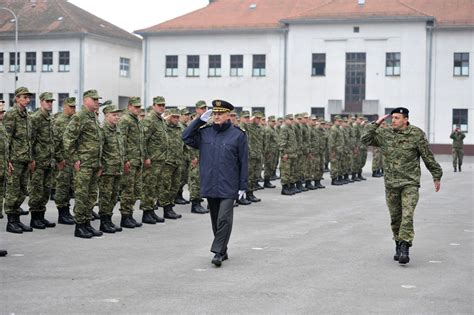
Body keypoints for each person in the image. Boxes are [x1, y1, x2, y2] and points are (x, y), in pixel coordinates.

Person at [361, 107, 442, 264]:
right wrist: (376, 123)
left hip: (410, 183)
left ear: (406, 119)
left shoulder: (416, 134)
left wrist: (436, 175)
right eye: (392, 118)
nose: (393, 121)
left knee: (407, 214)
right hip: (391, 183)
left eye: (397, 118)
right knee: (395, 217)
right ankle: (398, 243)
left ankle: (405, 246)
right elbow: (365, 140)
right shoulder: (385, 134)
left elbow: (427, 156)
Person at [182, 100, 248, 267]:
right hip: (210, 182)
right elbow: (186, 137)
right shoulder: (205, 132)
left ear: (228, 116)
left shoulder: (238, 135)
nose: (217, 116)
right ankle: (223, 249)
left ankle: (217, 252)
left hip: (229, 184)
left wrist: (243, 186)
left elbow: (243, 162)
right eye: (215, 113)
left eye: (220, 113)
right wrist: (199, 120)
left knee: (225, 218)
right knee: (216, 220)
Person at [63, 89, 103, 238]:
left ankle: (87, 223)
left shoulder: (93, 117)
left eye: (98, 99)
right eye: (94, 99)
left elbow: (97, 141)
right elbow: (68, 139)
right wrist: (75, 159)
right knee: (82, 194)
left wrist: (99, 163)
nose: (97, 102)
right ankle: (79, 226)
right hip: (84, 164)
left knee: (91, 195)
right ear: (86, 100)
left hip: (93, 164)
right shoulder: (80, 116)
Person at [3, 87, 34, 234]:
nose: (27, 100)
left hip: (25, 159)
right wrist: (7, 159)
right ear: (17, 98)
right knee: (13, 191)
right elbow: (6, 139)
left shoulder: (27, 115)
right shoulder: (12, 115)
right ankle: (11, 222)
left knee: (22, 191)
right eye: (24, 97)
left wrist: (31, 158)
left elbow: (29, 139)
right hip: (14, 160)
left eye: (28, 97)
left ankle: (17, 219)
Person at [28, 92, 57, 229]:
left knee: (46, 191)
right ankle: (34, 218)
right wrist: (31, 159)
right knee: (37, 190)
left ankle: (41, 216)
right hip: (38, 161)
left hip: (48, 161)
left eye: (51, 101)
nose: (50, 103)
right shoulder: (36, 118)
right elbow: (31, 140)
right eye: (47, 101)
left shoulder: (50, 118)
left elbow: (52, 140)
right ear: (41, 102)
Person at [118, 97, 144, 228]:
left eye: (139, 107)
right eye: (136, 107)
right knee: (128, 190)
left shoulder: (136, 120)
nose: (138, 109)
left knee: (135, 190)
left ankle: (130, 214)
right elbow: (121, 141)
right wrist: (125, 160)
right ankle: (125, 216)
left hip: (137, 160)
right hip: (130, 161)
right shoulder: (125, 120)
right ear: (129, 107)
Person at [98, 105, 125, 233]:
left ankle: (109, 219)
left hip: (117, 169)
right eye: (114, 115)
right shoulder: (102, 130)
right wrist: (100, 166)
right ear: (106, 115)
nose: (117, 117)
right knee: (105, 196)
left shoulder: (117, 129)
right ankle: (104, 222)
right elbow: (99, 150)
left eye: (117, 115)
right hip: (107, 170)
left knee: (114, 196)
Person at [53, 97, 76, 225]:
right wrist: (59, 159)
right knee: (62, 187)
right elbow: (55, 142)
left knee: (69, 187)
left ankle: (67, 211)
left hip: (71, 160)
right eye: (71, 107)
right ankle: (62, 214)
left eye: (74, 107)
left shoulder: (73, 120)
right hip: (63, 160)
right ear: (64, 107)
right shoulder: (60, 121)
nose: (73, 109)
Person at [0, 101, 7, 220]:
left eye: (2, 113)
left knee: (1, 189)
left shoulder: (2, 126)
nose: (1, 115)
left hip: (2, 164)